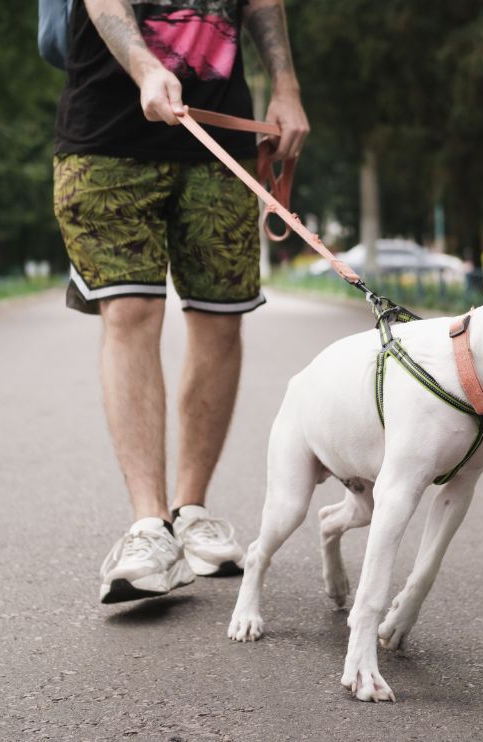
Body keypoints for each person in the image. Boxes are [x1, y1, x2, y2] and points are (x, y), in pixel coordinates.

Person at [52, 0, 309, 603]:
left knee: (220, 320)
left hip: (221, 134)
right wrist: (143, 67)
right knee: (131, 311)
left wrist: (286, 85)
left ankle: (190, 512)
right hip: (107, 135)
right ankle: (149, 527)